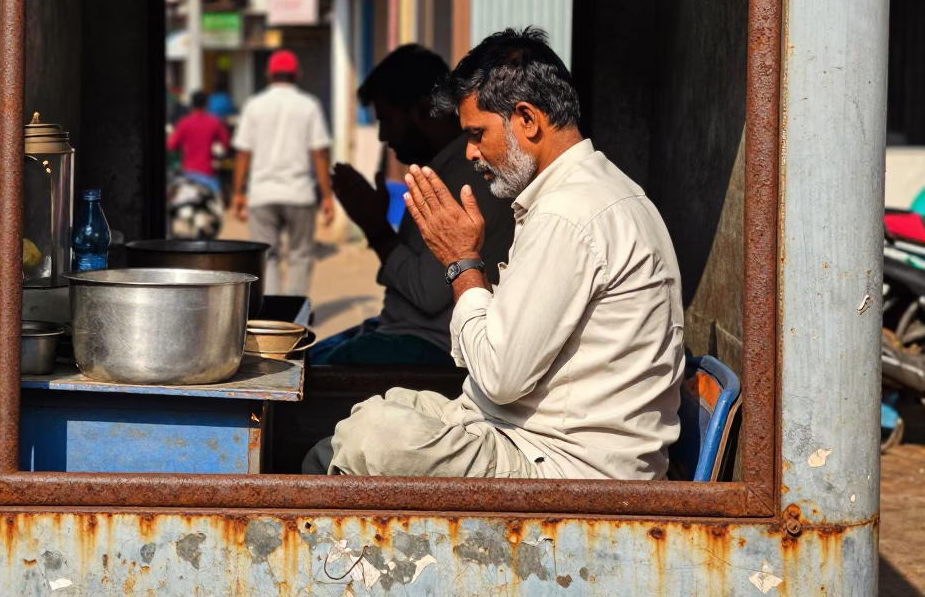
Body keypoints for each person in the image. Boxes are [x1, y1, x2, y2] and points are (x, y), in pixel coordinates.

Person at [304, 28, 684, 480]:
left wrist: (461, 263)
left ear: (527, 119)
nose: (470, 151)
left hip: (567, 468)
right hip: (520, 431)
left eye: (477, 134)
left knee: (373, 435)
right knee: (366, 422)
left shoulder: (570, 213)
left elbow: (500, 377)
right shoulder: (580, 197)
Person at [313, 45, 514, 365]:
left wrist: (376, 229)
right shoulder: (440, 170)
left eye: (387, 120)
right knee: (306, 359)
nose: (382, 136)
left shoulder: (468, 178)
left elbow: (428, 292)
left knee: (310, 376)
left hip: (433, 346)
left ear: (422, 112)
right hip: (404, 333)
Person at [232, 50, 334, 296]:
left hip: (262, 195)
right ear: (297, 74)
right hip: (299, 194)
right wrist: (327, 195)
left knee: (267, 258)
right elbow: (319, 153)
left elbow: (243, 153)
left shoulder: (254, 105)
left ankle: (274, 317)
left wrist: (237, 192)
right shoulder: (309, 105)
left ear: (268, 74)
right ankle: (294, 318)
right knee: (300, 256)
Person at [167, 90, 230, 196]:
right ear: (206, 104)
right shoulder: (214, 122)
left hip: (188, 175)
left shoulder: (183, 123)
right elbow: (225, 143)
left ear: (192, 104)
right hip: (207, 175)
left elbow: (171, 145)